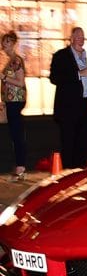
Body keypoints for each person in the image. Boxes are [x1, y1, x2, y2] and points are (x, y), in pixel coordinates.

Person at [49, 26, 87, 168]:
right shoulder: (61, 56)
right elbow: (55, 78)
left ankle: (80, 170)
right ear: (72, 39)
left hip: (83, 107)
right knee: (69, 143)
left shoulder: (84, 56)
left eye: (83, 37)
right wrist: (79, 75)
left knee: (83, 143)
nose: (81, 40)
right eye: (78, 37)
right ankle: (69, 172)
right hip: (68, 109)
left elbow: (83, 79)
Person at [2, 31, 28, 180]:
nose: (4, 46)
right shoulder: (11, 60)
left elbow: (20, 82)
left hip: (16, 101)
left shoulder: (16, 60)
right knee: (14, 134)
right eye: (3, 43)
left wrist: (4, 77)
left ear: (13, 43)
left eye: (7, 43)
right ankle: (19, 166)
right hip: (11, 101)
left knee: (17, 134)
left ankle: (20, 167)